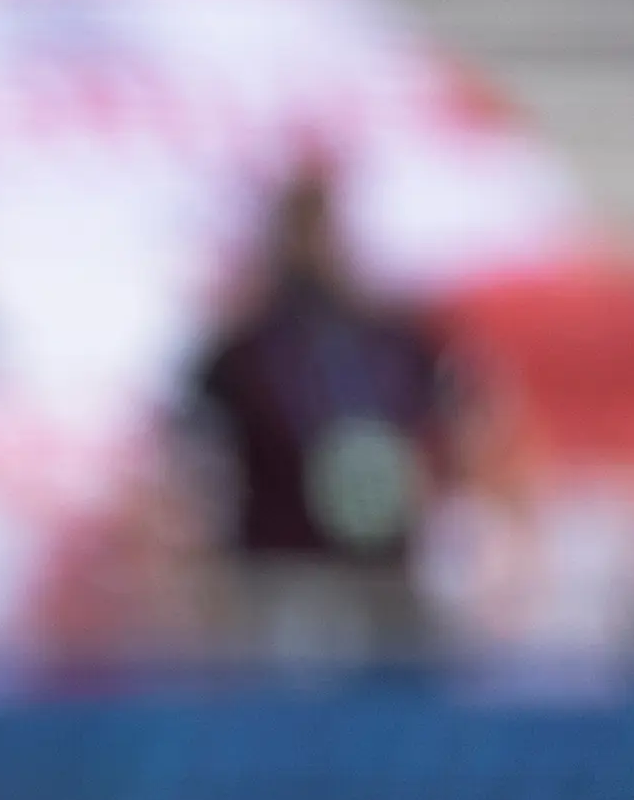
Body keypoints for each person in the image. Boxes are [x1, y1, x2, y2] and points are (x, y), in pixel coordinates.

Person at [182, 168, 474, 664]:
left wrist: (437, 491)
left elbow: (455, 426)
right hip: (275, 568)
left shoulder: (394, 340)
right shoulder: (245, 351)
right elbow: (197, 459)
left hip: (382, 569)